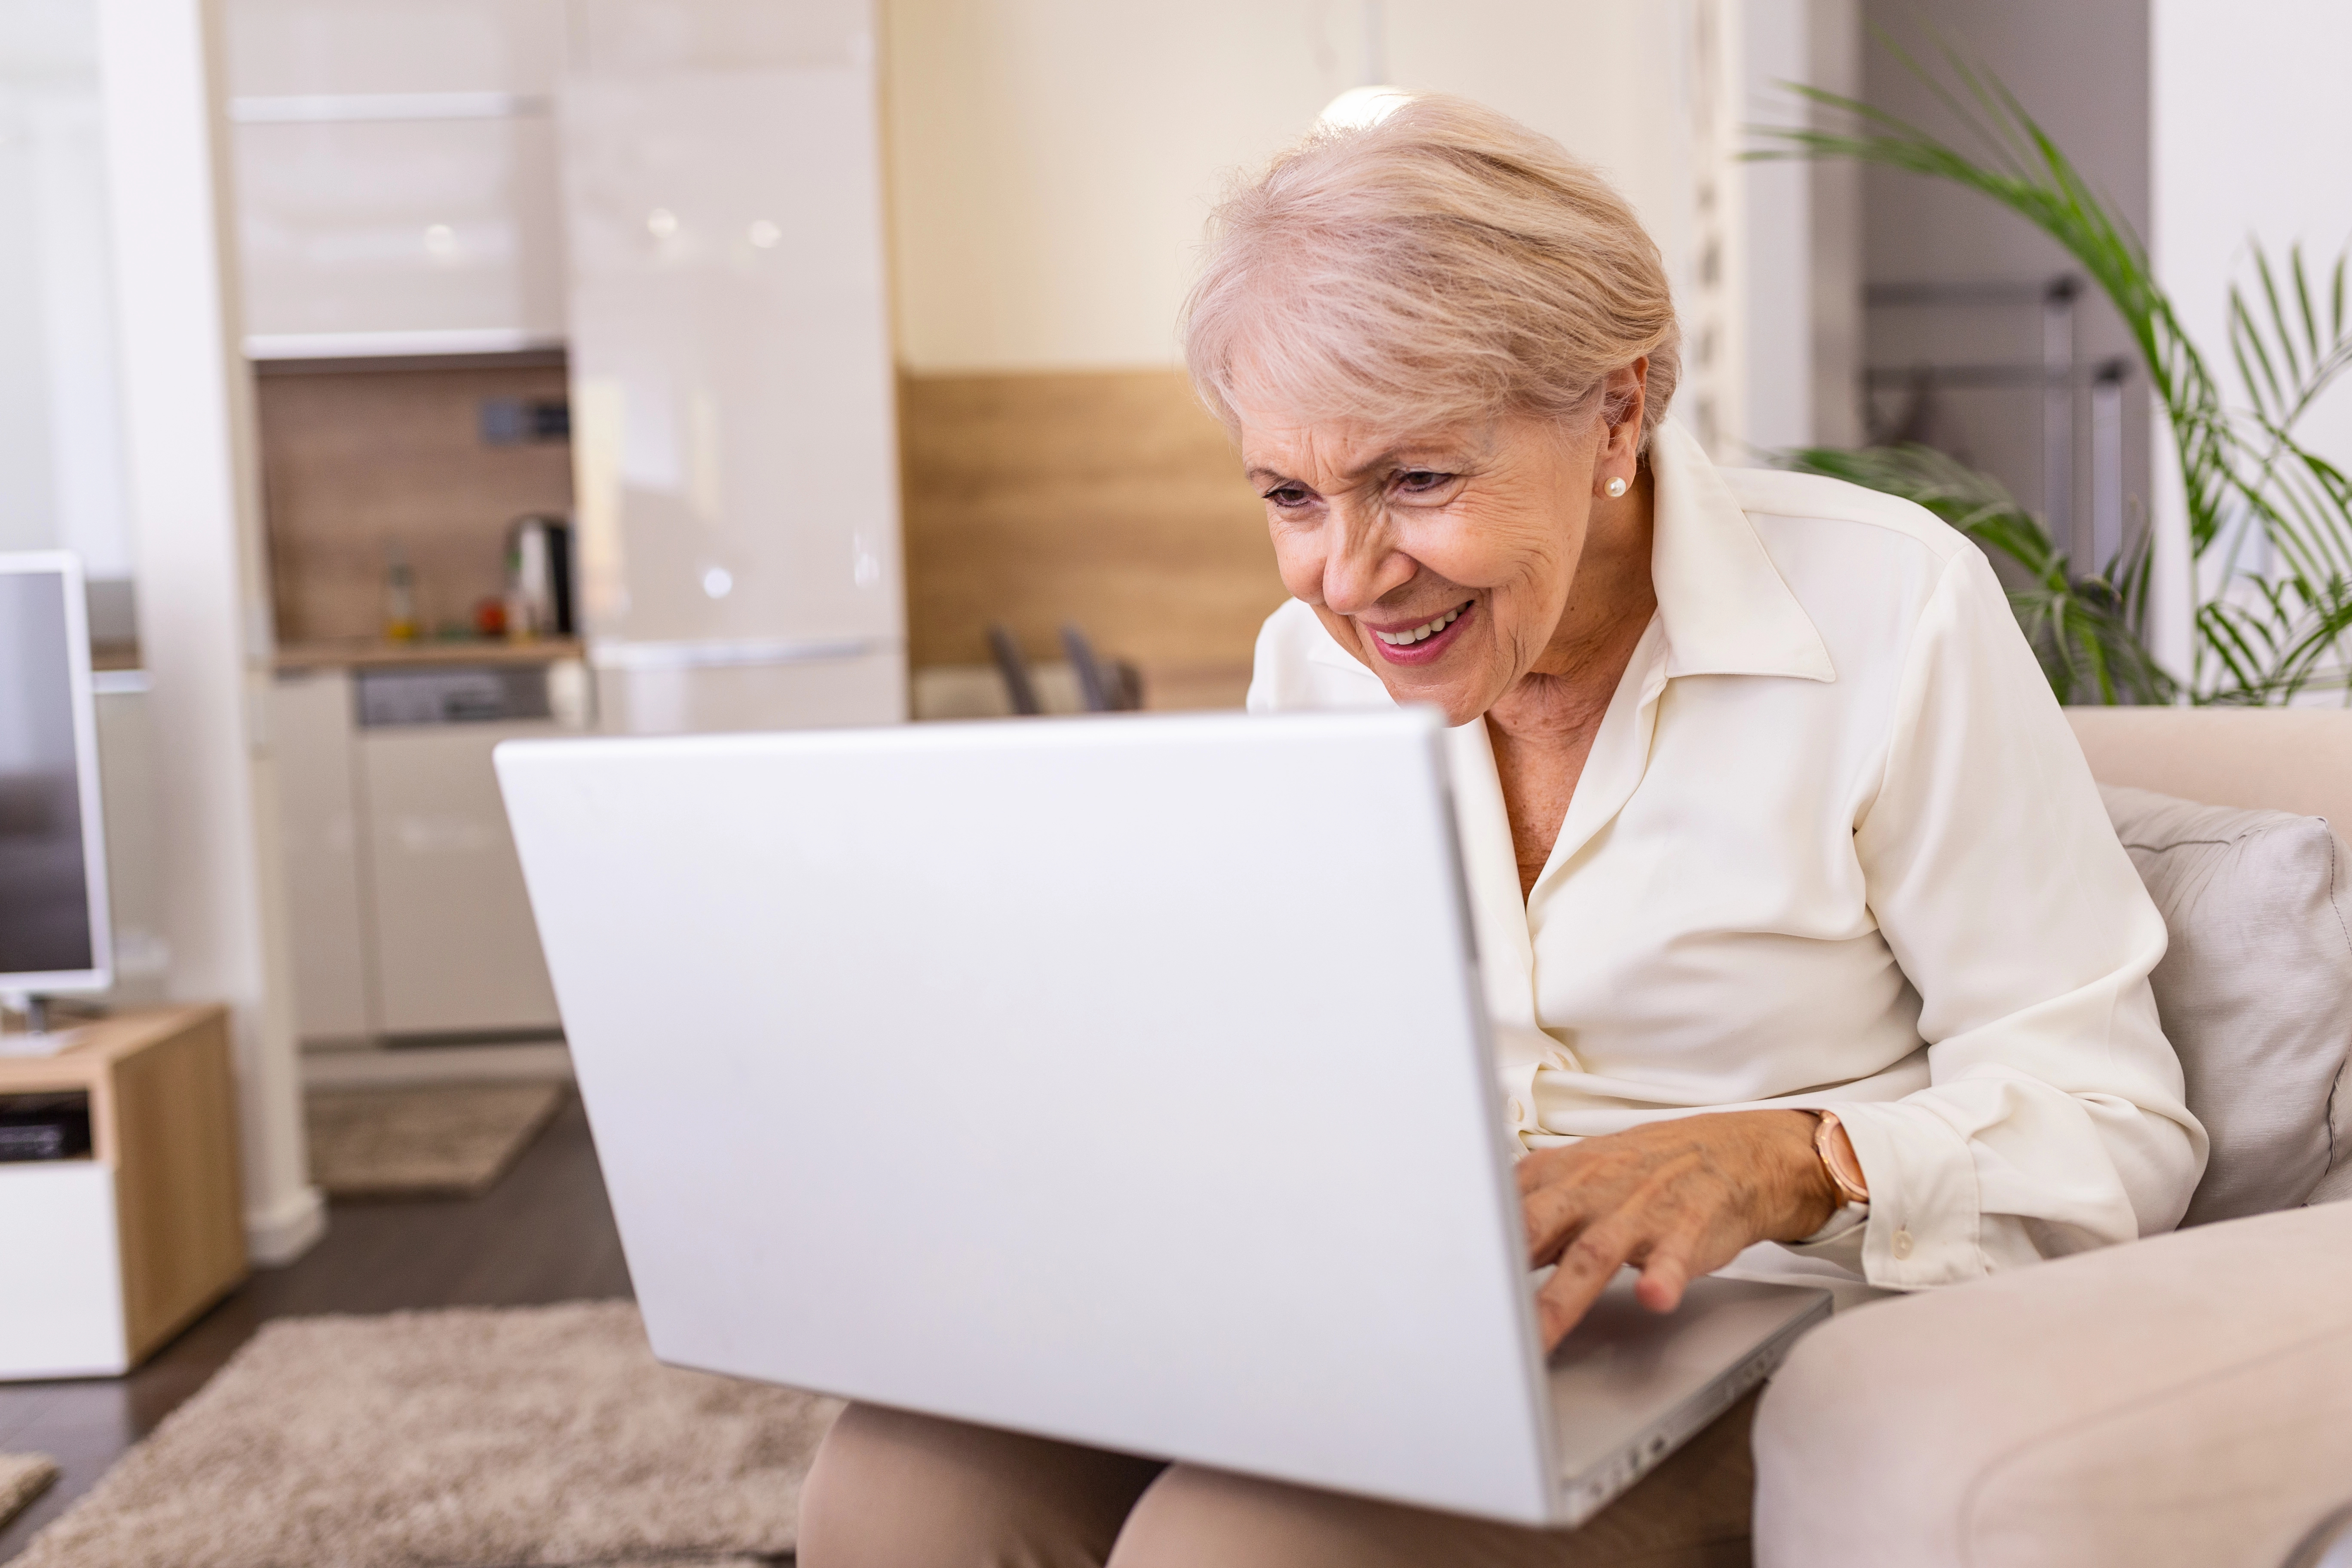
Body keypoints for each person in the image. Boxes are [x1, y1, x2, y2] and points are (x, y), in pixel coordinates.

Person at [799, 93, 2204, 1567]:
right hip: (1409, 1321)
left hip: (1766, 1329)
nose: (1349, 579)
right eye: (1289, 495)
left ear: (1617, 407)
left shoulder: (1892, 610)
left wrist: (1794, 1157)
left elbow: (2117, 1123)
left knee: (1234, 1550)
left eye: (1417, 480)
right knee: (899, 1485)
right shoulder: (1313, 667)